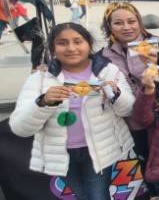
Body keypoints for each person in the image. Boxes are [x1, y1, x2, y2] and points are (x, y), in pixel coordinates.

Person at [9, 23, 135, 200]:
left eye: (78, 41)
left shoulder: (108, 72)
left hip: (100, 152)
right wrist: (43, 102)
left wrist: (115, 93)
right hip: (61, 154)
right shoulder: (40, 78)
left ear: (89, 44)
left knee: (97, 196)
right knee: (81, 195)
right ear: (53, 47)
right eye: (62, 43)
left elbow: (128, 110)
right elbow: (19, 128)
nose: (71, 48)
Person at [99, 1, 159, 197]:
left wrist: (152, 69)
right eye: (118, 23)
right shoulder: (103, 55)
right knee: (141, 166)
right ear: (109, 26)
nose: (126, 27)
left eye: (131, 21)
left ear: (139, 22)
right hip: (128, 123)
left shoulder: (156, 44)